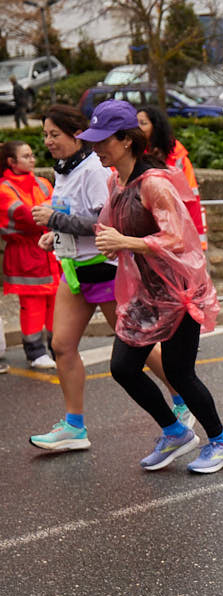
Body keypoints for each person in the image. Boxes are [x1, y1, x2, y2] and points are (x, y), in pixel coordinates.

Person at [80, 100, 223, 473]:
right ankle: (174, 431)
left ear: (126, 140)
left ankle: (221, 441)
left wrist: (126, 243)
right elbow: (108, 227)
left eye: (103, 140)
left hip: (180, 291)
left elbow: (178, 238)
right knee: (122, 367)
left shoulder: (154, 183)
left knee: (180, 372)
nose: (97, 148)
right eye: (93, 140)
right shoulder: (114, 181)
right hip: (147, 293)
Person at [29, 104, 184, 451]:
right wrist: (54, 236)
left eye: (54, 134)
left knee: (138, 346)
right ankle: (74, 426)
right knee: (62, 346)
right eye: (45, 135)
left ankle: (182, 400)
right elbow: (73, 219)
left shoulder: (95, 170)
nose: (48, 141)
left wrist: (55, 220)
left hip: (105, 268)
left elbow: (103, 224)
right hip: (74, 268)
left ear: (74, 134)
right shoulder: (65, 171)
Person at [1, 140, 59, 369]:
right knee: (32, 306)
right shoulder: (4, 188)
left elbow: (61, 206)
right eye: (26, 156)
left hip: (49, 252)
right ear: (11, 162)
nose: (32, 159)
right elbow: (27, 216)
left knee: (57, 305)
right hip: (26, 255)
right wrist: (52, 209)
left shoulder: (42, 183)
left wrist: (51, 210)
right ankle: (35, 353)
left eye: (32, 154)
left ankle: (58, 349)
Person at [137, 105, 205, 247]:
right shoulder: (132, 152)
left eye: (143, 123)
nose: (138, 128)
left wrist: (197, 240)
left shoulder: (177, 156)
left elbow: (191, 197)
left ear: (156, 127)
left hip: (174, 226)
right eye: (135, 123)